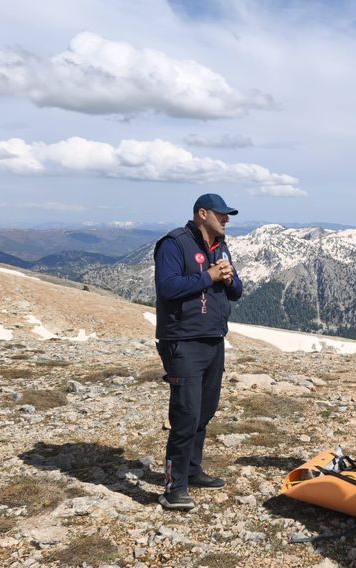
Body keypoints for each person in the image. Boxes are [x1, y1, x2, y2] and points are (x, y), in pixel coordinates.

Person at [154, 193, 244, 511]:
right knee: (186, 415)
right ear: (201, 214)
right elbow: (168, 287)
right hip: (182, 341)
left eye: (228, 215)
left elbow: (236, 292)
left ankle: (192, 472)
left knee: (204, 412)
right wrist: (209, 276)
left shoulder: (220, 247)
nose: (226, 219)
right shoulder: (174, 244)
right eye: (221, 214)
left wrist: (230, 279)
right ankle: (173, 487)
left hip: (213, 339)